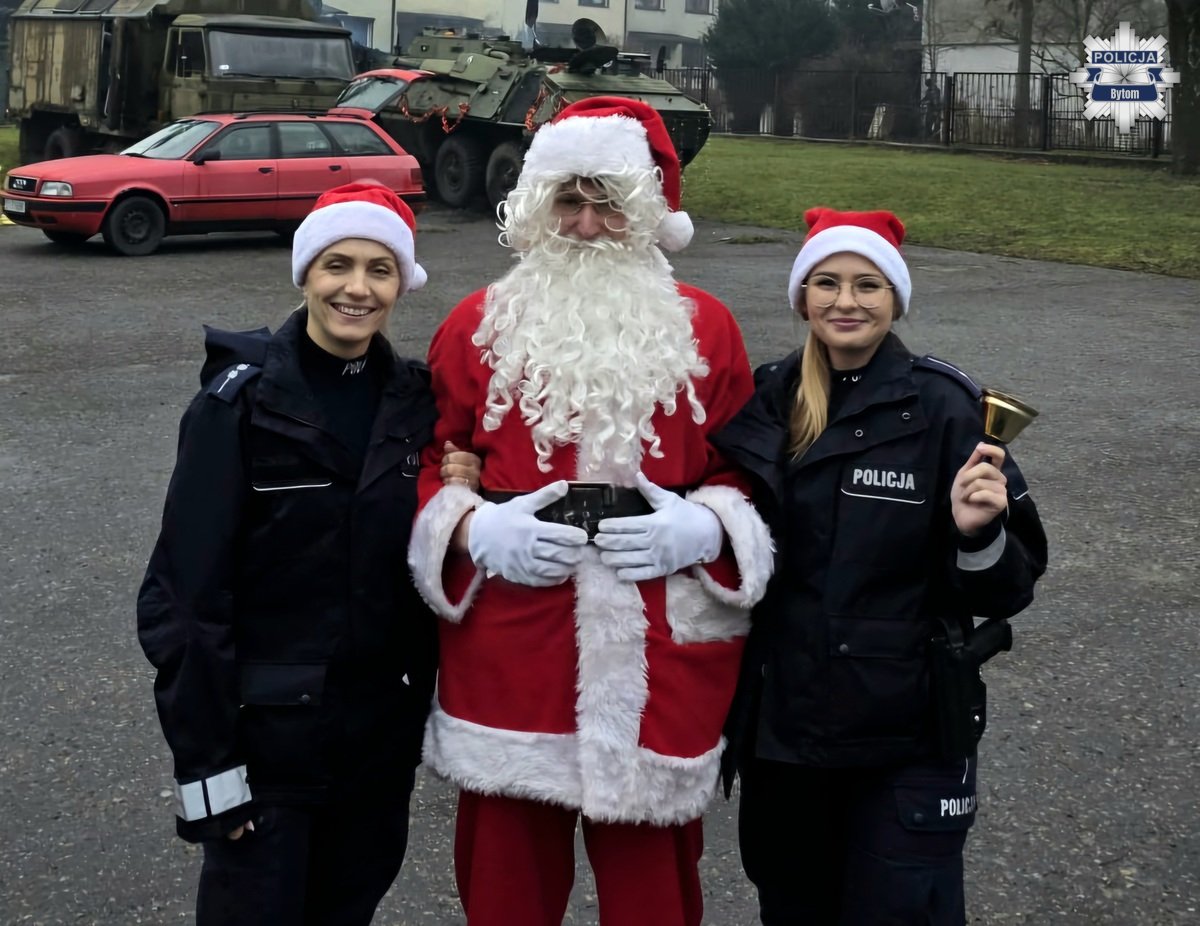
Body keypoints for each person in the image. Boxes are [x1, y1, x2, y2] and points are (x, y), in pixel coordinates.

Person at [406, 97, 774, 926]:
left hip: (657, 635)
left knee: (653, 893)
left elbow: (746, 467)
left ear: (643, 213)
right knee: (505, 884)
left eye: (607, 202)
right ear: (537, 210)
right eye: (567, 202)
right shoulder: (475, 326)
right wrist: (471, 526)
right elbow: (428, 457)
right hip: (513, 634)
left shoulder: (707, 330)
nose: (585, 224)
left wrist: (709, 524)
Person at [136, 182, 479, 926]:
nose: (356, 288)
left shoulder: (417, 404)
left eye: (379, 270)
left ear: (402, 284)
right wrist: (210, 776)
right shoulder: (241, 404)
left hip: (376, 747)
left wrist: (466, 487)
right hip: (268, 750)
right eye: (337, 266)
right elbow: (186, 602)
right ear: (305, 274)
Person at [714, 207, 1049, 925]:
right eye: (827, 283)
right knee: (793, 907)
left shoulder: (946, 406)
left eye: (868, 284)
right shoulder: (771, 396)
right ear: (802, 296)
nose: (846, 301)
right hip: (786, 732)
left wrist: (975, 533)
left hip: (905, 733)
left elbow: (1013, 583)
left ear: (895, 299)